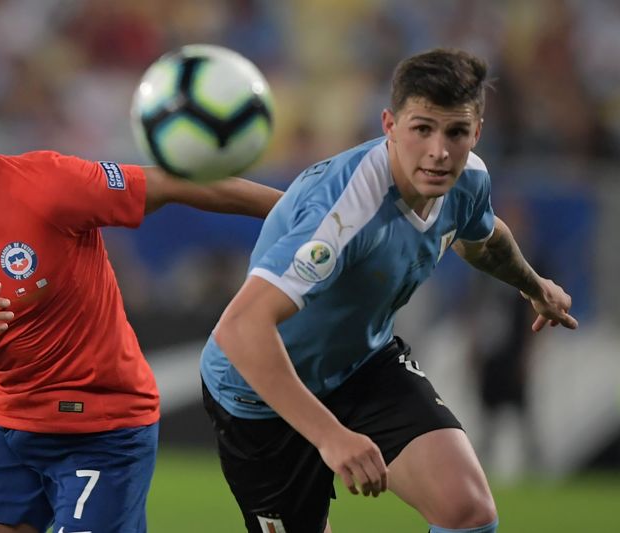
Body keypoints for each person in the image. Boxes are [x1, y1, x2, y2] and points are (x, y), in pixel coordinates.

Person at [0, 72, 282, 533]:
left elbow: (172, 184)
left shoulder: (47, 185)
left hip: (104, 426)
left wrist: (296, 209)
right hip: (8, 426)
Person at [200, 48, 578, 533]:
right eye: (422, 128)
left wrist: (535, 286)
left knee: (468, 511)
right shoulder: (346, 208)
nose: (439, 151)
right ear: (389, 124)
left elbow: (483, 238)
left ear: (477, 132)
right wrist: (330, 437)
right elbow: (242, 327)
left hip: (362, 366)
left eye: (456, 132)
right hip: (259, 393)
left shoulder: (469, 180)